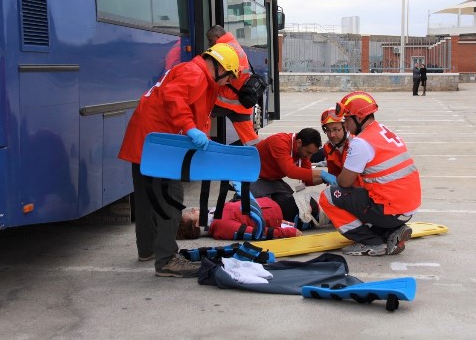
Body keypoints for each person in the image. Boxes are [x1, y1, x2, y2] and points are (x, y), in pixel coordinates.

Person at [118, 43, 240, 278]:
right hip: (160, 145)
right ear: (220, 68)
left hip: (145, 139)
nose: (228, 82)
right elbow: (174, 97)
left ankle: (147, 249)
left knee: (146, 197)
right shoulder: (195, 74)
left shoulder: (191, 70)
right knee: (170, 198)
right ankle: (167, 260)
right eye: (229, 77)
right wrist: (190, 128)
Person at [319, 91, 421, 257]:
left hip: (390, 208)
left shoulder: (361, 142)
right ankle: (392, 232)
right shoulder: (382, 130)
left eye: (347, 118)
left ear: (358, 118)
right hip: (407, 208)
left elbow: (344, 183)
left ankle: (370, 243)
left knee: (328, 197)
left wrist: (329, 178)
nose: (345, 123)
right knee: (363, 196)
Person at [250, 128, 337, 223]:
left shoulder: (302, 153)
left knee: (291, 208)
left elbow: (308, 180)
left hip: (273, 180)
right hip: (254, 178)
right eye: (308, 152)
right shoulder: (279, 142)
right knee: (267, 210)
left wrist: (325, 179)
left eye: (312, 154)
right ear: (299, 142)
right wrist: (321, 173)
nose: (309, 157)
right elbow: (290, 171)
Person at [207, 25, 260, 146]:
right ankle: (259, 156)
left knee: (202, 112)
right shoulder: (234, 44)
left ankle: (204, 145)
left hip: (227, 99)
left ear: (218, 37)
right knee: (250, 139)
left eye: (210, 40)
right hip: (240, 101)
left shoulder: (223, 48)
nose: (209, 44)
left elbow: (230, 72)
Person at [177, 198, 302, 240]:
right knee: (316, 208)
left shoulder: (215, 217)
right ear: (198, 224)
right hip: (280, 214)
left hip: (272, 207)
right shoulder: (222, 226)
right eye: (191, 213)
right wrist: (287, 232)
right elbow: (256, 233)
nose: (193, 209)